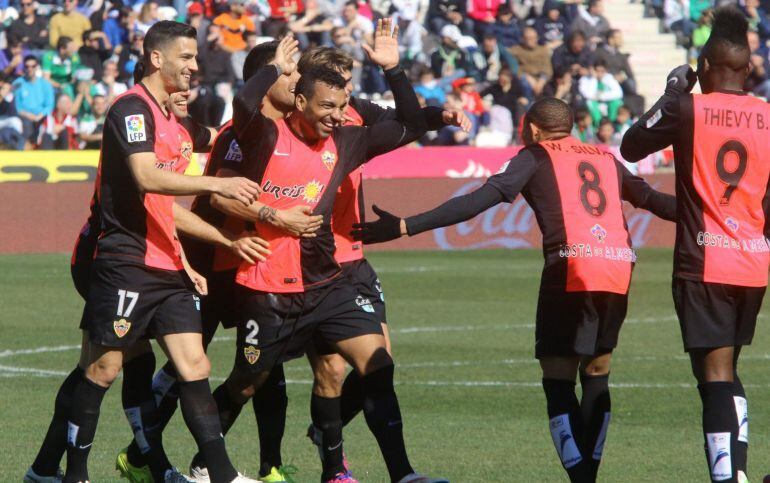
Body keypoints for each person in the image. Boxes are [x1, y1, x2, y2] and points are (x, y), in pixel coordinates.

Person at [353, 97, 676, 483]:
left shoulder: (535, 155)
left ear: (534, 129)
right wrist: (714, 213)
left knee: (558, 379)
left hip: (571, 265)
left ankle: (582, 479)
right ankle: (590, 473)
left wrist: (407, 225)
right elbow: (653, 199)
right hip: (618, 265)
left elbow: (477, 201)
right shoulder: (605, 157)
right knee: (597, 372)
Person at [206, 26, 445, 483]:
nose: (338, 115)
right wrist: (276, 67)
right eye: (327, 106)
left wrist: (394, 69)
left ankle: (401, 474)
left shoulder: (348, 141)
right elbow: (241, 107)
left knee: (376, 364)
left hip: (328, 280)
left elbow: (412, 124)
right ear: (299, 102)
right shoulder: (265, 136)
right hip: (270, 285)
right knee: (246, 382)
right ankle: (205, 464)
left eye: (343, 105)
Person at [52, 21, 263, 483]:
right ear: (156, 58)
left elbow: (165, 205)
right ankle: (75, 474)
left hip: (168, 265)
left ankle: (221, 474)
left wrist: (206, 248)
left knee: (194, 364)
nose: (194, 66)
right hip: (125, 259)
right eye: (186, 57)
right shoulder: (131, 109)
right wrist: (216, 182)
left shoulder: (176, 124)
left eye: (195, 58)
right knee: (104, 368)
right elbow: (148, 179)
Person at [620, 7, 768, 482]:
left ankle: (727, 479)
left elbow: (631, 144)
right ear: (748, 69)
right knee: (727, 367)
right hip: (752, 263)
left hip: (704, 260)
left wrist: (672, 91)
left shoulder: (688, 108)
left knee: (714, 376)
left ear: (703, 66)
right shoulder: (768, 116)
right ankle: (739, 474)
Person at [12, 55, 55, 149]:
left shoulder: (45, 84)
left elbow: (50, 105)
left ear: (37, 67)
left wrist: (40, 115)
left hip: (42, 116)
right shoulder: (17, 84)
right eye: (27, 66)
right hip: (24, 116)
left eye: (33, 66)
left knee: (48, 125)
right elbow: (16, 106)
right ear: (24, 67)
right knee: (26, 125)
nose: (30, 69)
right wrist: (29, 115)